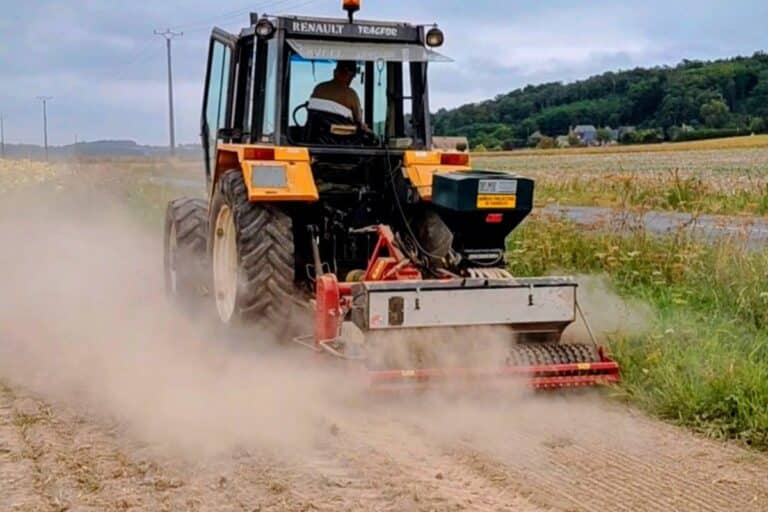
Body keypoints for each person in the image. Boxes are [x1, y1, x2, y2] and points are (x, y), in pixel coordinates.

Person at [310, 60, 368, 131]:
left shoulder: (318, 89)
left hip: (314, 137)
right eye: (352, 76)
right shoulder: (351, 95)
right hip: (342, 140)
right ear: (351, 76)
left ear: (334, 72)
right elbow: (359, 122)